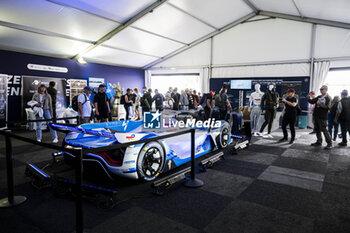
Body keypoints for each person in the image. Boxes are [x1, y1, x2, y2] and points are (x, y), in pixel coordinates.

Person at [307, 85, 333, 149]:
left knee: (324, 130)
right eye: (320, 89)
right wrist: (308, 98)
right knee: (317, 129)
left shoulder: (328, 98)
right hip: (316, 115)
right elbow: (312, 101)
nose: (321, 90)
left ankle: (329, 144)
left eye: (322, 89)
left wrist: (320, 104)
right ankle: (319, 141)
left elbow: (328, 107)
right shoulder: (319, 97)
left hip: (322, 117)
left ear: (326, 90)